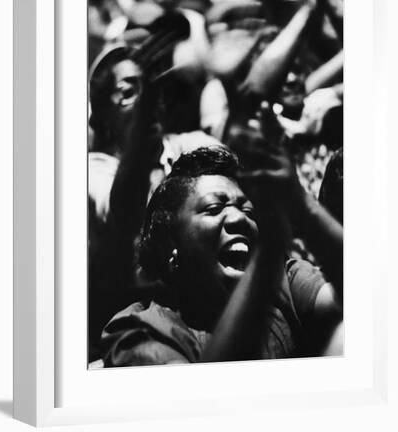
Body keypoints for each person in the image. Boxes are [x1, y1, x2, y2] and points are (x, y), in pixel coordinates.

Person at [98, 135, 343, 366]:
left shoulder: (284, 282)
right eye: (214, 208)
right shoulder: (138, 330)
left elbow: (360, 299)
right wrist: (268, 251)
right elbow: (201, 400)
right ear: (170, 242)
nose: (240, 219)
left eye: (249, 212)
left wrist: (302, 204)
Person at [87, 14, 221, 359]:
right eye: (129, 92)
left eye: (151, 87)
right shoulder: (91, 170)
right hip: (137, 321)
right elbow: (121, 213)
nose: (148, 97)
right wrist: (142, 141)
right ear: (100, 116)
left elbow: (240, 173)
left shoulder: (189, 143)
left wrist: (232, 86)